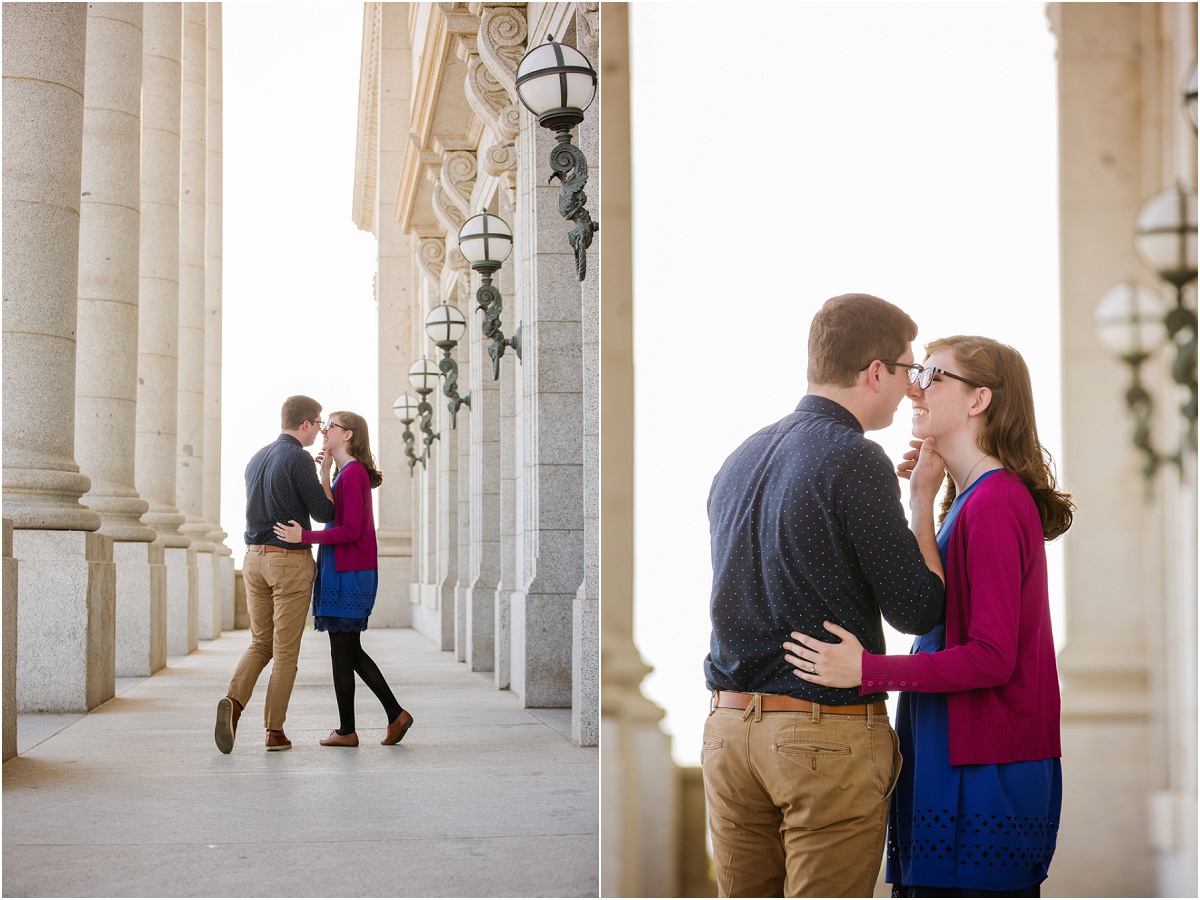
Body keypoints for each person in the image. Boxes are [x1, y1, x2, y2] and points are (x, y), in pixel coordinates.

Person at [784, 336, 1072, 898]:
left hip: (984, 767)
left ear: (978, 400)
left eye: (934, 377)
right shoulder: (971, 499)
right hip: (951, 754)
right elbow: (932, 617)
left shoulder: (994, 503)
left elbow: (991, 658)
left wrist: (868, 671)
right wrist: (920, 501)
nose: (914, 386)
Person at [702, 293, 947, 898]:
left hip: (727, 732)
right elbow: (919, 608)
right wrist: (921, 502)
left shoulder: (739, 458)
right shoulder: (853, 458)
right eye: (909, 371)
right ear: (874, 372)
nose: (912, 389)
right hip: (820, 739)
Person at [274, 411, 414, 747]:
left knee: (344, 650)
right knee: (346, 650)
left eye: (330, 425)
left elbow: (349, 530)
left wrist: (304, 538)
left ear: (348, 435)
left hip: (350, 572)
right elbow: (334, 512)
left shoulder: (353, 475)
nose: (324, 430)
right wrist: (324, 473)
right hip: (344, 570)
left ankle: (357, 727)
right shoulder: (346, 473)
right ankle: (376, 720)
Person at [216, 395, 335, 753]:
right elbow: (324, 510)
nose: (321, 429)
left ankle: (233, 705)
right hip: (287, 562)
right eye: (319, 422)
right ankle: (274, 731)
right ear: (305, 424)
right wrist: (324, 471)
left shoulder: (256, 458)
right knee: (284, 652)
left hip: (252, 559)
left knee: (260, 643)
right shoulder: (299, 457)